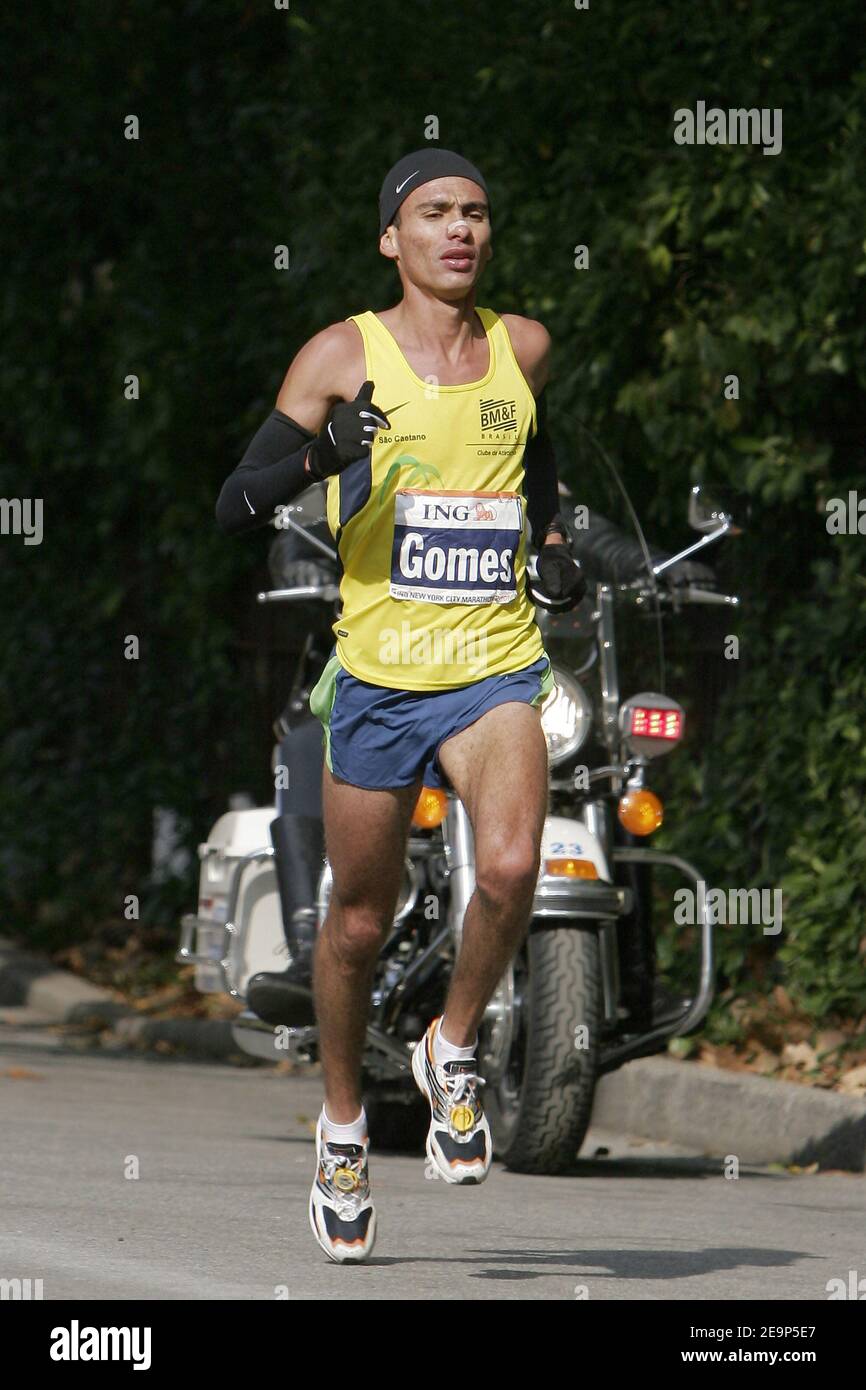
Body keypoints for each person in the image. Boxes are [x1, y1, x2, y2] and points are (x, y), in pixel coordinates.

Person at [215, 148, 585, 1263]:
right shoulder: (342, 353)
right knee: (358, 923)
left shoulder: (521, 346)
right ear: (392, 238)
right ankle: (338, 1131)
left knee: (515, 866)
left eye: (474, 211)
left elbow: (535, 459)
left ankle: (451, 1046)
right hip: (379, 676)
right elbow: (236, 503)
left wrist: (556, 542)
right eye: (433, 213)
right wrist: (319, 457)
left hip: (492, 667)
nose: (458, 229)